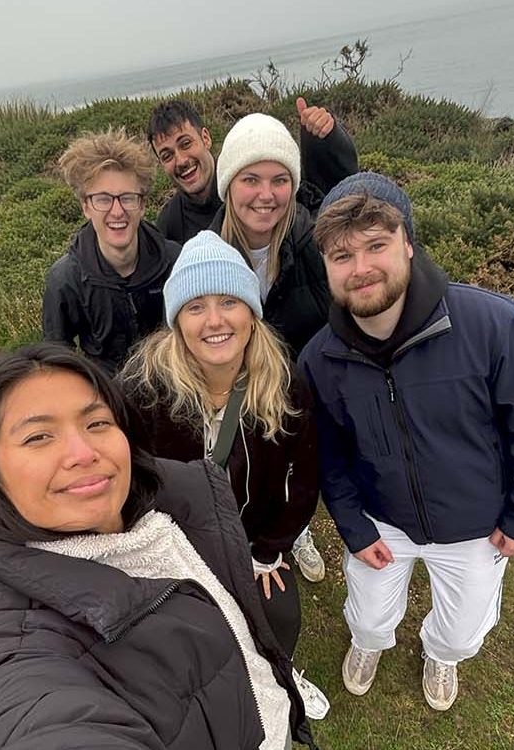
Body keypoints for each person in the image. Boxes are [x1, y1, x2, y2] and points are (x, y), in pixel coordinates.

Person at [0, 342, 317, 750]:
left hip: (270, 720)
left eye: (97, 424)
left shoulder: (177, 506)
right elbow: (35, 720)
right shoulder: (17, 653)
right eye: (39, 436)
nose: (83, 453)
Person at [298, 172, 514, 711]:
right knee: (370, 613)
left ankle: (440, 653)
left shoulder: (490, 323)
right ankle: (369, 643)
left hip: (477, 526)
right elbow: (328, 457)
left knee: (463, 626)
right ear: (326, 267)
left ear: (408, 243)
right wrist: (353, 526)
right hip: (382, 520)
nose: (362, 268)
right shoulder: (319, 359)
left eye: (376, 245)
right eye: (341, 256)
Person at [119, 231, 329, 720]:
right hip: (173, 548)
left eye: (229, 301)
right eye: (195, 306)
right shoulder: (141, 389)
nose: (214, 320)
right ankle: (222, 697)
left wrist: (271, 549)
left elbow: (305, 477)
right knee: (190, 637)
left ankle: (280, 676)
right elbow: (122, 481)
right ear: (176, 322)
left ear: (252, 315)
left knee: (279, 616)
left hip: (251, 542)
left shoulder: (284, 382)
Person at [205, 108, 357, 581]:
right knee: (257, 465)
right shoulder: (207, 251)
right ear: (228, 185)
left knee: (300, 463)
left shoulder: (312, 239)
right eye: (251, 179)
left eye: (279, 179)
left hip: (303, 385)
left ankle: (299, 528)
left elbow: (352, 194)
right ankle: (267, 530)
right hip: (237, 387)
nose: (266, 195)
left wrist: (328, 141)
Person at [42, 127, 180, 374]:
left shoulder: (175, 262)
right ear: (86, 206)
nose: (117, 211)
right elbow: (58, 360)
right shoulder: (65, 280)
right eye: (103, 199)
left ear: (142, 204)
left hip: (169, 391)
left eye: (127, 198)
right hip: (106, 397)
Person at [148, 97, 358, 246]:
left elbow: (333, 200)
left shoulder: (254, 177)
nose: (181, 160)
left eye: (185, 143)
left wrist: (327, 141)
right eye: (167, 155)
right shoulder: (170, 222)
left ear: (205, 138)